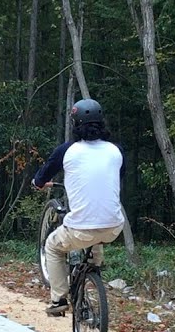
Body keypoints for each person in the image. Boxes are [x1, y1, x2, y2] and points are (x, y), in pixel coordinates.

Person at [32, 98, 125, 316]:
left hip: (80, 230)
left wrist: (38, 183)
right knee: (95, 231)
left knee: (52, 246)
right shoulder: (116, 150)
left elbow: (41, 178)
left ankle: (58, 299)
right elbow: (117, 176)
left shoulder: (67, 150)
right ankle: (94, 266)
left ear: (75, 123)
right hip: (114, 227)